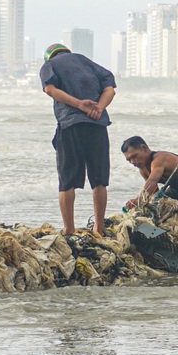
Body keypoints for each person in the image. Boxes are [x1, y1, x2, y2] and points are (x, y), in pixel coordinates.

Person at [38, 42, 116, 235]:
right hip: (97, 126)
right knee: (99, 180)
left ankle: (69, 228)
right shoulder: (86, 61)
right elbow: (110, 89)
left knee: (67, 180)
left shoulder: (50, 65)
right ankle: (99, 227)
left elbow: (50, 89)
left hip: (70, 125)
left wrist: (79, 104)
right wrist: (99, 107)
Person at [119, 136, 178, 209]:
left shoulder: (160, 158)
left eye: (134, 156)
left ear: (144, 148)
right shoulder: (143, 169)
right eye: (129, 160)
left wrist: (138, 199)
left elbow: (152, 181)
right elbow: (153, 192)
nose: (132, 162)